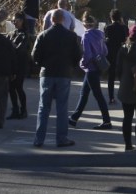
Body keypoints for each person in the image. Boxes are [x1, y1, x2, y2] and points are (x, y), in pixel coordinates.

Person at [32, 9, 81, 148]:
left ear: (51, 20)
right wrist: (70, 65)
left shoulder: (43, 35)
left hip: (47, 73)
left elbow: (35, 55)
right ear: (63, 20)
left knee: (43, 107)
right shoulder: (71, 36)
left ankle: (39, 139)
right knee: (62, 107)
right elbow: (77, 55)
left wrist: (42, 64)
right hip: (64, 73)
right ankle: (61, 138)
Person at [69, 12, 112, 130]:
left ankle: (107, 120)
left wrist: (82, 63)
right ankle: (74, 118)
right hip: (98, 67)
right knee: (84, 94)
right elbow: (106, 51)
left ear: (84, 24)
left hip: (90, 68)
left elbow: (87, 54)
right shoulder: (100, 34)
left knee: (97, 95)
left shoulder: (86, 36)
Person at [7, 12, 30, 120]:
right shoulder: (12, 33)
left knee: (18, 87)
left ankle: (23, 110)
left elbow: (20, 49)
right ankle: (15, 109)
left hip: (20, 64)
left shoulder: (25, 34)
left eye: (16, 20)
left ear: (22, 21)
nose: (14, 22)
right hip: (11, 64)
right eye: (13, 20)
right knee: (11, 88)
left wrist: (11, 45)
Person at [104, 9, 129, 105]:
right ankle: (124, 96)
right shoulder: (124, 28)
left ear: (111, 18)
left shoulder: (108, 28)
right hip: (122, 54)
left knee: (111, 77)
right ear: (120, 18)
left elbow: (106, 41)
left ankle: (111, 97)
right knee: (123, 76)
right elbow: (126, 41)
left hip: (111, 54)